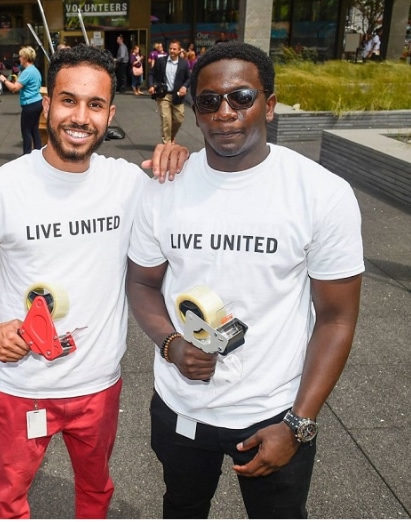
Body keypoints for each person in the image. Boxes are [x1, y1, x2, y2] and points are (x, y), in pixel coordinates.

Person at [0, 44, 188, 519]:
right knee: (10, 500)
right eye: (69, 100)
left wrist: (177, 155)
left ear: (110, 113)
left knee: (96, 493)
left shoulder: (131, 184)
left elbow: (196, 195)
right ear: (46, 104)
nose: (81, 117)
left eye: (95, 105)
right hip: (22, 385)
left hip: (98, 385)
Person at [126, 42, 364, 519]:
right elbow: (142, 284)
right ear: (195, 111)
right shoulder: (164, 188)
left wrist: (299, 423)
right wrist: (172, 344)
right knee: (182, 507)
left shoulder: (321, 194)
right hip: (182, 408)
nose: (226, 112)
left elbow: (337, 319)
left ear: (269, 105)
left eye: (242, 97)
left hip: (273, 413)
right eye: (210, 101)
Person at [0, 46, 43, 155]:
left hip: (30, 104)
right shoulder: (35, 70)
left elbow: (14, 88)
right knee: (34, 129)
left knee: (26, 131)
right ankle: (38, 152)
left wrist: (4, 80)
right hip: (37, 102)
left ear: (25, 58)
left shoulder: (27, 72)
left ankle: (26, 155)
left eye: (21, 56)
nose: (19, 59)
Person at [148, 39, 191, 144]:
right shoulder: (161, 61)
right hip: (164, 95)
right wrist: (151, 85)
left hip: (177, 96)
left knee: (179, 119)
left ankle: (171, 136)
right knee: (166, 120)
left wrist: (184, 87)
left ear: (179, 51)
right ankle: (167, 143)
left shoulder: (184, 64)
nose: (171, 50)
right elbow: (151, 74)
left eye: (174, 49)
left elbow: (189, 78)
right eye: (170, 48)